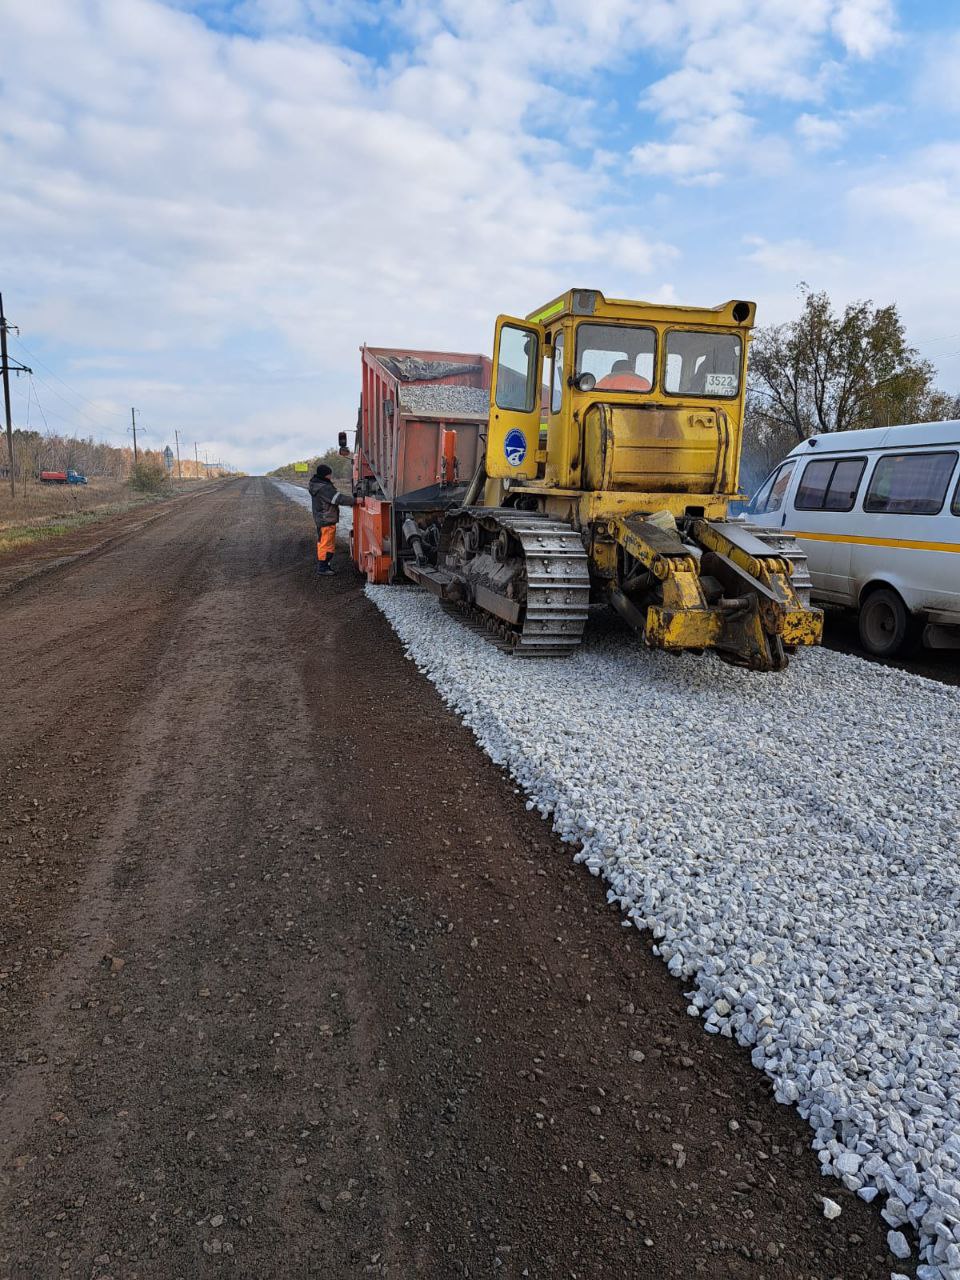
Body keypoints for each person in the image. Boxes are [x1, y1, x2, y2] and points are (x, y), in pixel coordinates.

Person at [308, 464, 355, 576]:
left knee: (322, 543)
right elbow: (338, 498)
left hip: (321, 519)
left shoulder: (317, 485)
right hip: (326, 520)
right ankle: (323, 568)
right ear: (325, 474)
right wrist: (355, 501)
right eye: (329, 474)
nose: (331, 476)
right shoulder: (324, 488)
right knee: (326, 544)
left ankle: (324, 565)